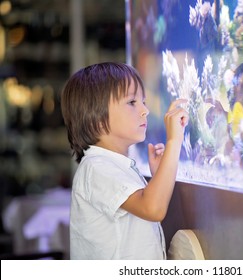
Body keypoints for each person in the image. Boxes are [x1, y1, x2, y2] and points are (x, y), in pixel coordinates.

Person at [60, 62, 189, 259]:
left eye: (143, 101)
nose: (145, 110)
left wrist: (158, 176)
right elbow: (153, 208)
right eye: (132, 102)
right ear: (97, 118)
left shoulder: (112, 165)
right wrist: (174, 140)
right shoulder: (96, 168)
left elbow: (147, 208)